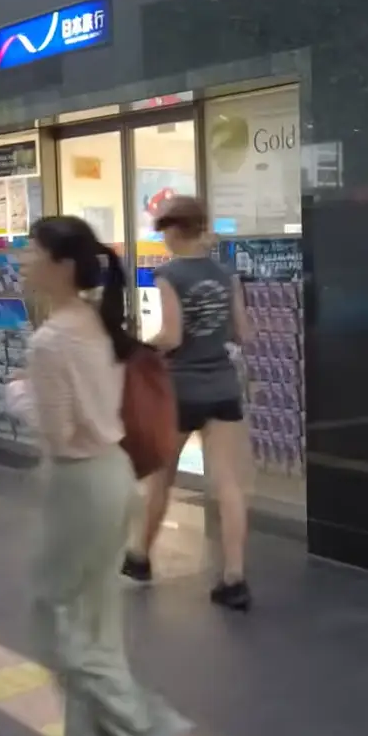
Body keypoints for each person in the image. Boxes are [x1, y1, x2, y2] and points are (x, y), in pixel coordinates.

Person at [3, 215, 186, 736]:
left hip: (79, 481)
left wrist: (17, 395)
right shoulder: (97, 324)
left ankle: (142, 730)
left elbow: (56, 434)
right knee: (94, 616)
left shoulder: (50, 340)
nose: (21, 261)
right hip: (114, 477)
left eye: (31, 253)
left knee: (53, 617)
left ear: (60, 266)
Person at [127, 195, 253, 611]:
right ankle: (233, 578)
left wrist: (141, 349)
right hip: (222, 386)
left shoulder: (169, 275)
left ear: (175, 230)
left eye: (162, 229)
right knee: (229, 484)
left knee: (162, 478)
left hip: (180, 390)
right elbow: (243, 333)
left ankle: (140, 557)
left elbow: (173, 336)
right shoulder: (224, 274)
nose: (161, 238)